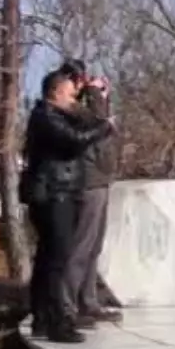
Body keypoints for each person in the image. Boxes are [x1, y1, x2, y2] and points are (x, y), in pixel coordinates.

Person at [21, 70, 116, 343]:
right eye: (69, 92)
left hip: (58, 192)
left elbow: (79, 126)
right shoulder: (46, 118)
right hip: (54, 194)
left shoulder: (51, 116)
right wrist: (105, 124)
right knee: (57, 261)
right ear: (55, 92)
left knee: (49, 260)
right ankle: (57, 321)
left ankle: (43, 318)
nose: (73, 98)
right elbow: (76, 139)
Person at [58, 60, 123, 328]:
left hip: (101, 178)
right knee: (81, 246)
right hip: (87, 181)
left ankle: (88, 302)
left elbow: (105, 128)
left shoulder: (83, 105)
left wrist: (102, 97)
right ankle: (67, 307)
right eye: (80, 79)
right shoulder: (69, 107)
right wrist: (96, 95)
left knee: (93, 247)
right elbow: (96, 126)